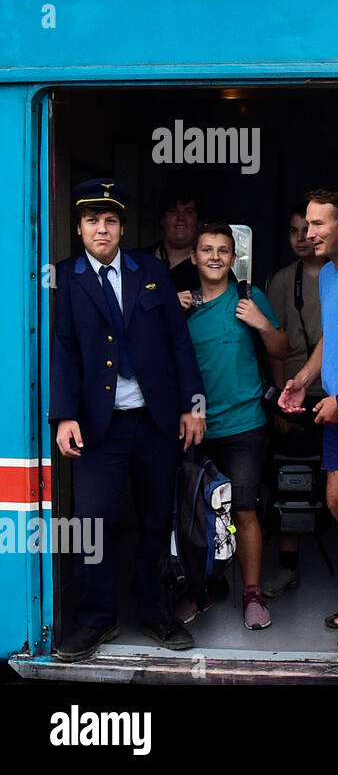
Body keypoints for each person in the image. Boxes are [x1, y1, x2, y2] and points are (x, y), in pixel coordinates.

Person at [51, 179, 206, 661]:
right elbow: (61, 349)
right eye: (93, 220)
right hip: (99, 428)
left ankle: (155, 612)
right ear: (79, 228)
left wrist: (193, 406)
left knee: (157, 522)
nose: (102, 229)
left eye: (111, 220)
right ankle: (97, 619)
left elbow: (180, 344)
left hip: (155, 423)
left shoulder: (151, 270)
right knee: (93, 524)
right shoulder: (64, 277)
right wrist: (63, 416)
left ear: (122, 227)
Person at [174, 223, 288, 630]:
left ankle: (252, 593)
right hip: (195, 427)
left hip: (244, 425)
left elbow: (281, 348)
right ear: (194, 257)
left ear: (232, 256)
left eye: (224, 250)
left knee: (243, 509)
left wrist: (260, 322)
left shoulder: (248, 297)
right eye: (207, 250)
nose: (216, 257)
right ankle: (198, 590)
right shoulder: (180, 305)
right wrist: (173, 309)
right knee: (196, 511)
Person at [278, 189, 338, 651]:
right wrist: (301, 379)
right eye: (306, 225)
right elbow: (331, 338)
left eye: (318, 225)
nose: (308, 235)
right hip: (336, 409)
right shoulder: (329, 275)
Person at [262, 206, 326, 598]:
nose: (302, 238)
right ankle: (288, 569)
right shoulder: (284, 281)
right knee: (292, 484)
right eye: (293, 231)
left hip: (337, 392)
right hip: (295, 391)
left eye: (309, 229)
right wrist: (279, 401)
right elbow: (273, 345)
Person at [146, 190, 202, 300]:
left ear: (199, 222)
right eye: (172, 211)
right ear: (162, 220)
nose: (180, 217)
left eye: (188, 211)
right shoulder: (139, 260)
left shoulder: (211, 266)